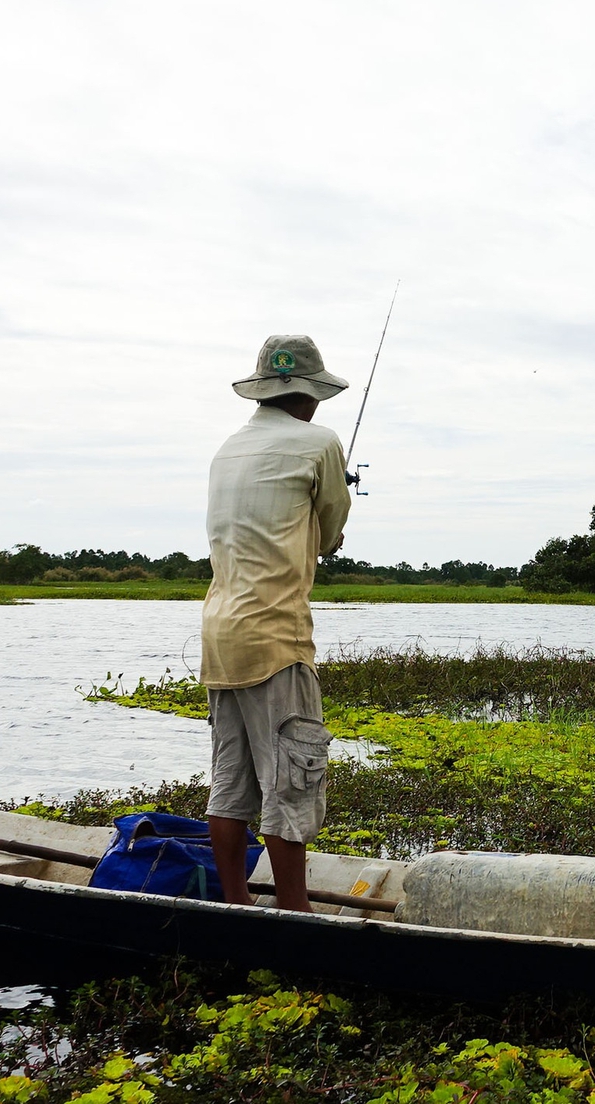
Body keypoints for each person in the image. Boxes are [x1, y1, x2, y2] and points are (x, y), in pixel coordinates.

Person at [202, 334, 351, 910]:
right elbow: (332, 531)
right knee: (293, 777)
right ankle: (295, 908)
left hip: (220, 634)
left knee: (231, 780)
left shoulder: (227, 449)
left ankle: (236, 904)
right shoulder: (320, 443)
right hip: (275, 638)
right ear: (307, 394)